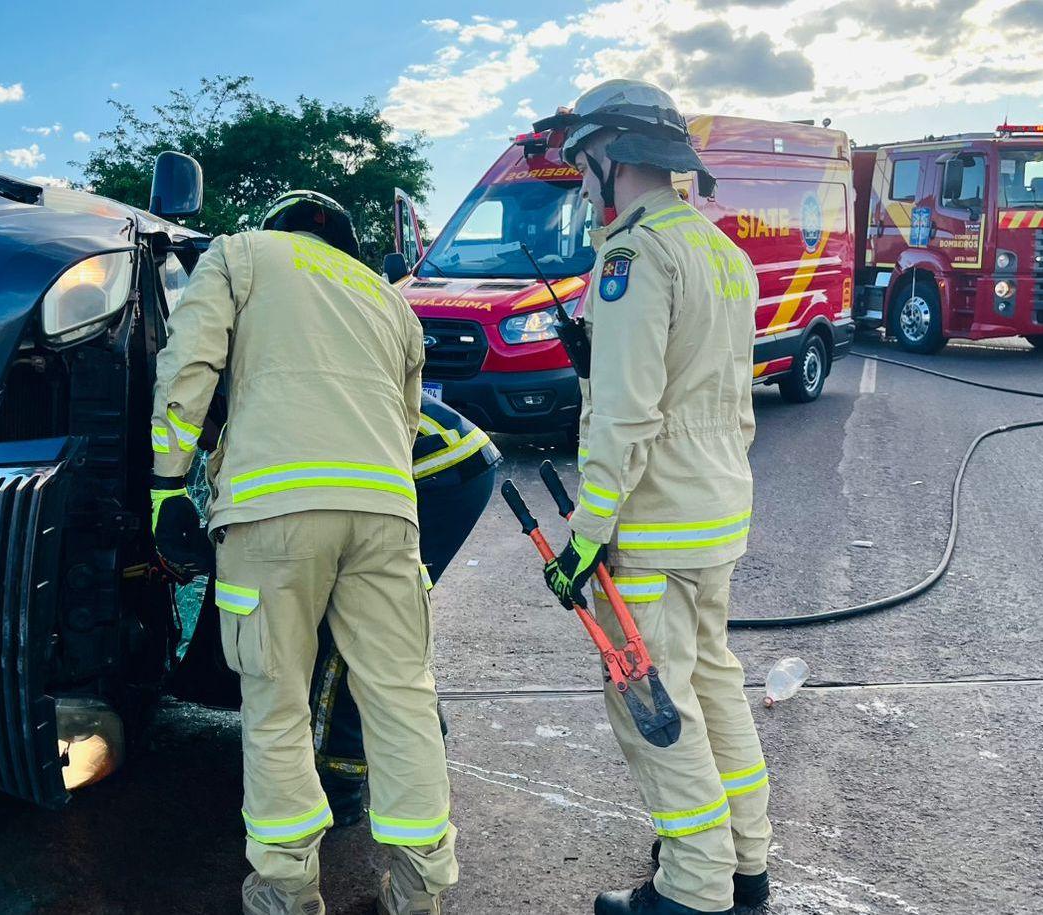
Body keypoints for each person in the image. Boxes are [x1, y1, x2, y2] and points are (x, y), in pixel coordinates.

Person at [150, 190, 458, 915]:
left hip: (272, 509)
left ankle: (288, 890)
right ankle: (422, 889)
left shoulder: (241, 253)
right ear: (346, 243)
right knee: (401, 693)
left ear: (278, 228)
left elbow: (189, 364)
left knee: (277, 699)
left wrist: (168, 483)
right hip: (386, 511)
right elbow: (406, 422)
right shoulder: (390, 302)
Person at [534, 80, 772, 915]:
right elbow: (717, 394)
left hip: (653, 523)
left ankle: (693, 888)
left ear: (609, 158)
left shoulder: (632, 256)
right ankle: (746, 865)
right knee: (712, 685)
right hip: (714, 515)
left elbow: (629, 414)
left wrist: (588, 532)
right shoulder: (721, 252)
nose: (581, 181)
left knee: (652, 704)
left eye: (581, 164)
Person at [313, 394, 499, 824]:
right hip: (450, 463)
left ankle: (339, 781)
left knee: (352, 626)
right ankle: (422, 724)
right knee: (393, 618)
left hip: (443, 476)